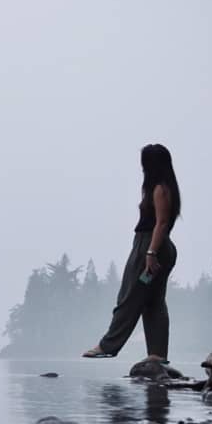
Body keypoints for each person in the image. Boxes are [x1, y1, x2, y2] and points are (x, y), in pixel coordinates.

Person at [84, 143, 181, 362]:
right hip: (159, 247)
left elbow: (162, 223)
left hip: (150, 246)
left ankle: (107, 345)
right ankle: (157, 355)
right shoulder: (166, 188)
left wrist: (150, 253)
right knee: (153, 301)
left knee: (129, 296)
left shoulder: (160, 189)